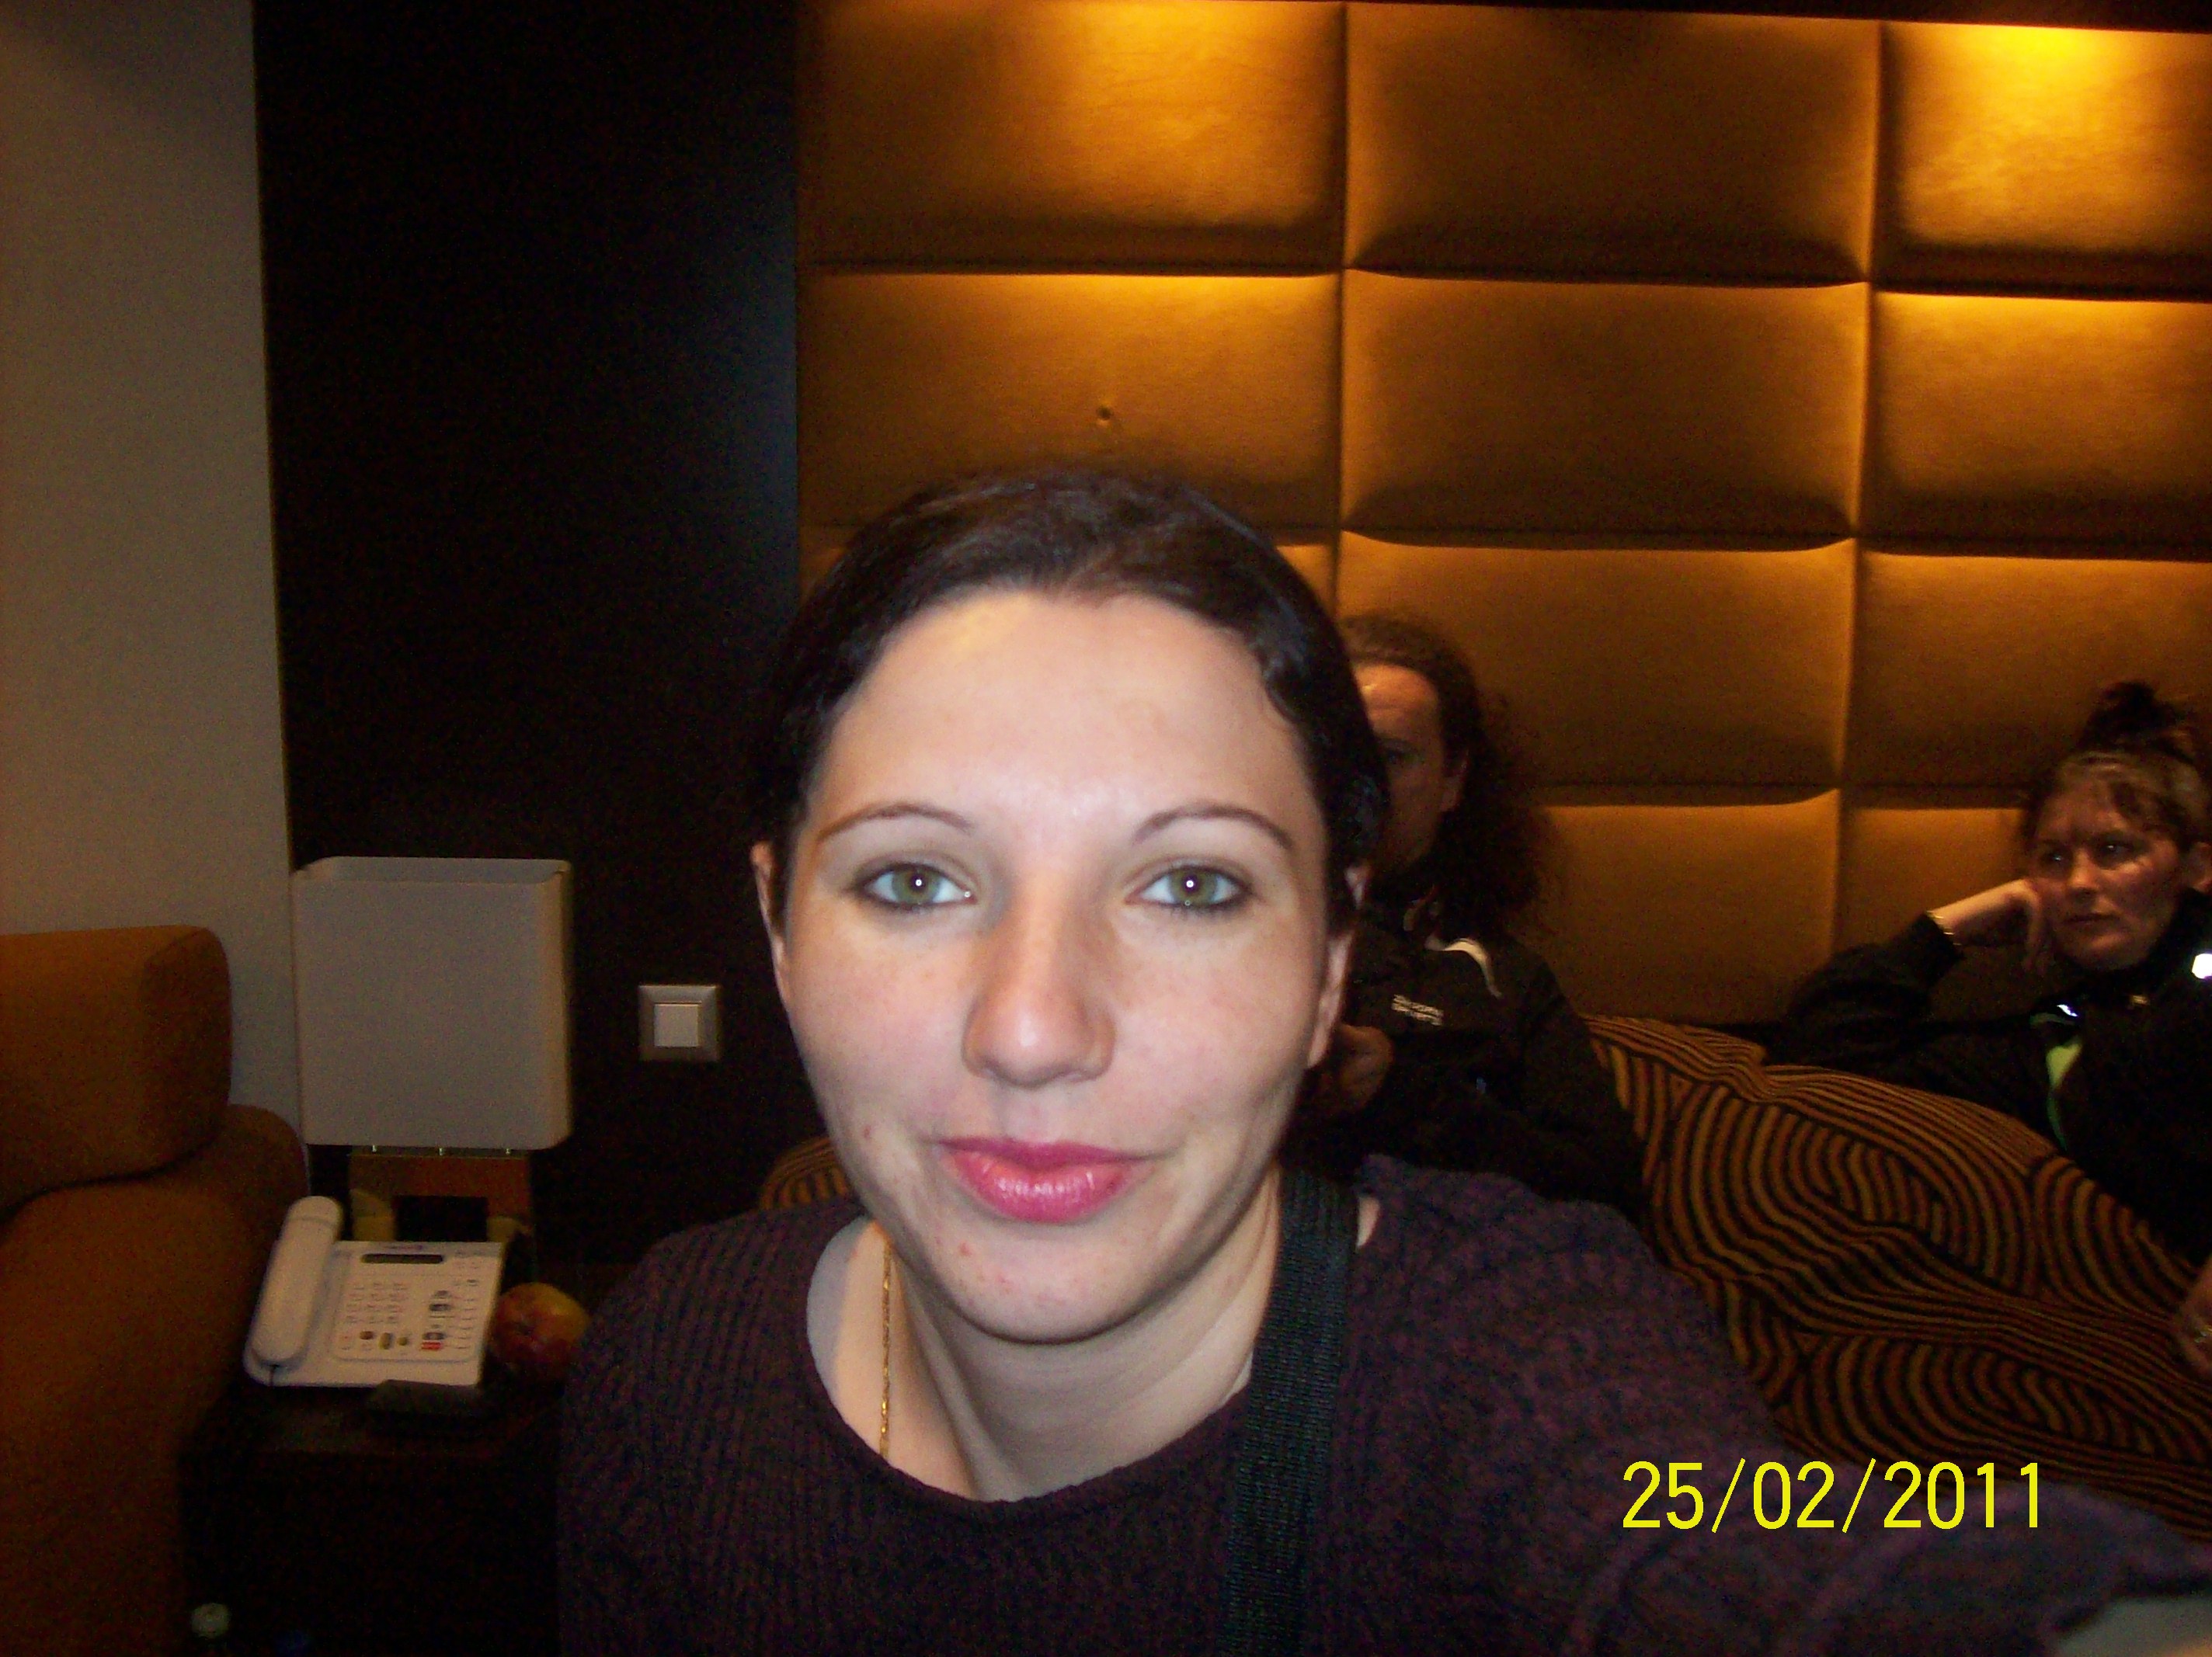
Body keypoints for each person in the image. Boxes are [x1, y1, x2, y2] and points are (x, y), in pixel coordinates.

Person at [562, 471, 2211, 1655]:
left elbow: (1748, 1538)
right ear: (778, 928)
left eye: (1190, 885)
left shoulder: (1509, 1351)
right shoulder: (669, 1356)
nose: (1034, 1025)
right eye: (916, 879)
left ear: (1325, 964)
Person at [1771, 683, 2212, 1384]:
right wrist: (1946, 932)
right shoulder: (2051, 1043)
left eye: (2114, 850)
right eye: (2053, 860)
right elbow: (1820, 1066)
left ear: (2194, 869)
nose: (2079, 883)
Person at [1289, 615, 1645, 1227]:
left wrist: (1400, 1094)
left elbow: (1606, 1186)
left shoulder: (1504, 980)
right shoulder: (1229, 927)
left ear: (1452, 781)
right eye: (1335, 754)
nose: (1358, 783)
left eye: (1390, 757)